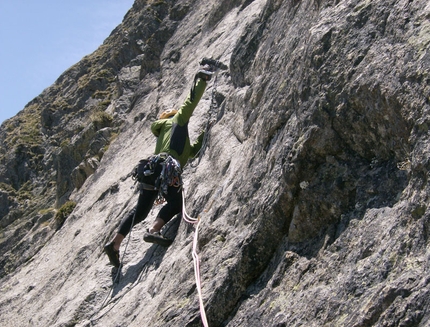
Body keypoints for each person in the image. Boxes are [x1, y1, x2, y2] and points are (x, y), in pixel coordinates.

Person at [104, 63, 216, 268]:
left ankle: (115, 245)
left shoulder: (175, 137)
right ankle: (154, 231)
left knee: (141, 211)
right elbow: (190, 104)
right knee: (176, 203)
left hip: (151, 170)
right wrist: (203, 79)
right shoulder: (176, 122)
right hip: (166, 168)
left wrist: (206, 131)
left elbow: (192, 151)